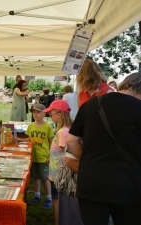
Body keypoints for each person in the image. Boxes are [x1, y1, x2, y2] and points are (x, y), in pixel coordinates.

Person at [66, 72, 141, 224]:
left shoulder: (91, 104)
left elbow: (71, 141)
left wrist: (87, 161)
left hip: (90, 184)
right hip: (128, 185)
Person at [43, 100, 80, 225]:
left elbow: (68, 153)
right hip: (57, 175)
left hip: (59, 176)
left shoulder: (63, 132)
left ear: (59, 114)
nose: (50, 116)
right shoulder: (65, 129)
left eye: (51, 114)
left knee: (57, 203)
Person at [18, 103, 54, 209]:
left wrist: (50, 156)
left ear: (44, 113)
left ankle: (49, 198)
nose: (35, 114)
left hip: (43, 157)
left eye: (38, 112)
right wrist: (19, 139)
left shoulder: (47, 127)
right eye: (34, 112)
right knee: (35, 177)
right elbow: (29, 139)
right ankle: (37, 195)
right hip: (33, 157)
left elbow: (52, 142)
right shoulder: (31, 126)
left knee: (45, 178)